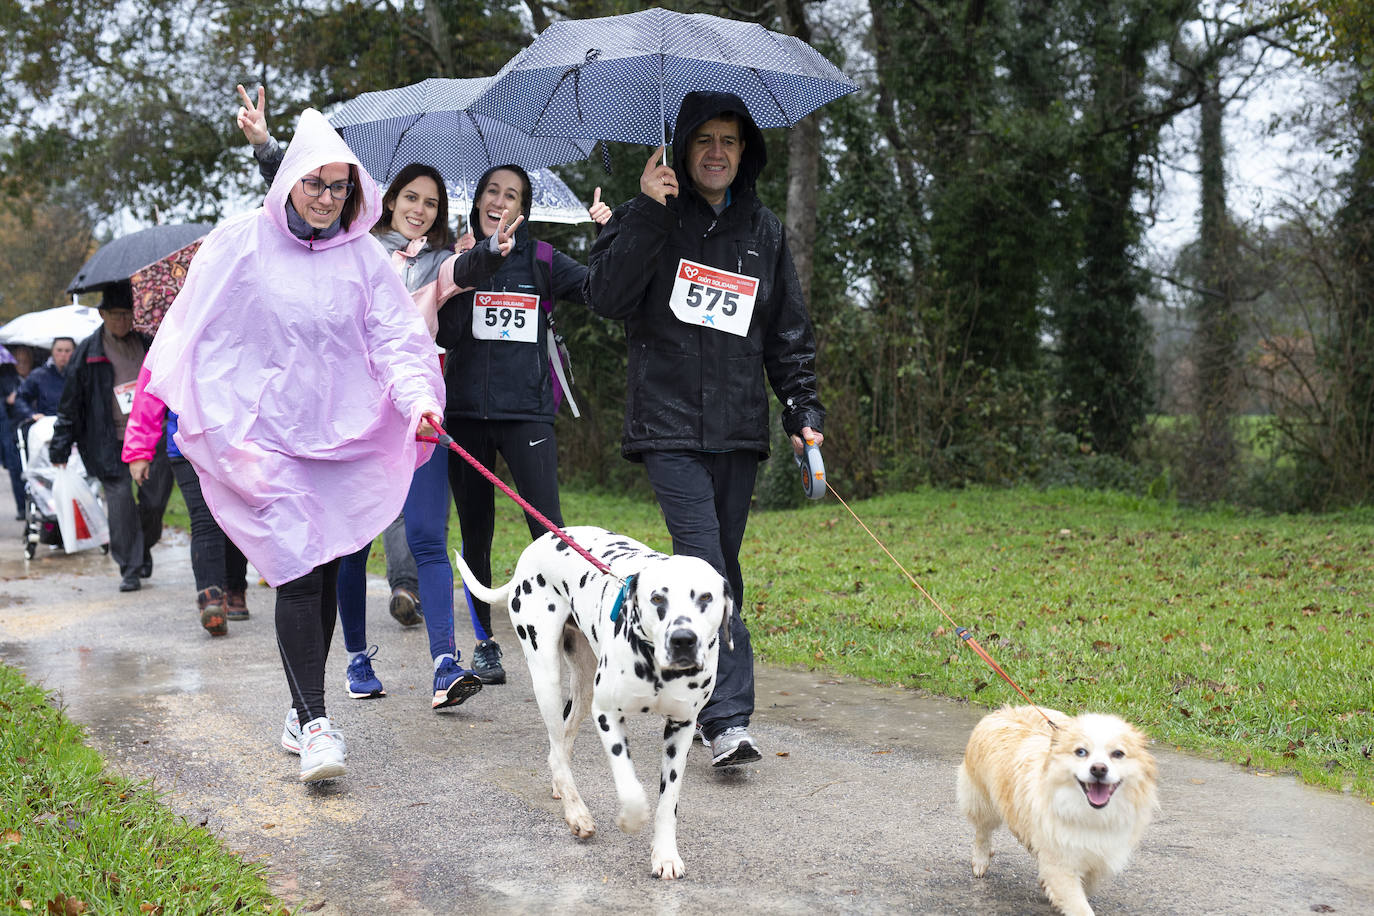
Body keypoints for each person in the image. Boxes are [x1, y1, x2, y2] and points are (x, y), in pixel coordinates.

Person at [145, 105, 513, 783]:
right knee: (293, 569)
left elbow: (398, 341)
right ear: (289, 179)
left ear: (354, 193)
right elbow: (196, 331)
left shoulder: (364, 261)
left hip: (344, 444)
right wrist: (189, 422)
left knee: (322, 574)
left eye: (340, 187)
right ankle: (316, 722)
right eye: (315, 183)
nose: (326, 198)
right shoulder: (240, 244)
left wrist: (420, 402)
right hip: (270, 444)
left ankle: (297, 707)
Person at [236, 85, 528, 711]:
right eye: (411, 199)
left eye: (433, 203)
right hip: (345, 419)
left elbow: (466, 272)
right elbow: (302, 203)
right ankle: (357, 660)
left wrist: (491, 256)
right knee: (349, 545)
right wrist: (266, 149)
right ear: (387, 201)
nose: (421, 210)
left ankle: (445, 665)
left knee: (427, 535)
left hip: (413, 413)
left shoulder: (439, 264)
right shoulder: (354, 251)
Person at [584, 91, 826, 768]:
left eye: (729, 141)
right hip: (666, 425)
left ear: (744, 152)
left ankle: (684, 677)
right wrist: (649, 217)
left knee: (724, 569)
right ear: (683, 150)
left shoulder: (765, 231)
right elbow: (605, 298)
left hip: (739, 427)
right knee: (706, 561)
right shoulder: (648, 214)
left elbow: (788, 334)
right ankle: (725, 719)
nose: (716, 153)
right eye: (703, 141)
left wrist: (804, 413)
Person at [435, 163, 611, 686]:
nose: (500, 201)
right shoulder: (456, 261)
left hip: (527, 414)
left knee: (550, 531)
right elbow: (425, 322)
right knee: (476, 532)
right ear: (479, 199)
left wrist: (607, 235)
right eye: (492, 190)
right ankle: (486, 642)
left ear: (524, 210)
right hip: (463, 414)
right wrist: (464, 268)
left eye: (512, 195)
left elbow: (602, 292)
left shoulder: (541, 259)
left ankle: (570, 633)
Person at [50, 286, 173, 592]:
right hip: (107, 441)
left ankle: (141, 547)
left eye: (128, 315)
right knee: (120, 506)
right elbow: (70, 403)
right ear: (102, 315)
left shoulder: (148, 345)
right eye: (116, 315)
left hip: (150, 438)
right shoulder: (87, 353)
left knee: (154, 501)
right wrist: (60, 444)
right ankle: (129, 567)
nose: (122, 321)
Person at [124, 377, 251, 637]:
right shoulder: (172, 338)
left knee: (234, 515)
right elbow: (149, 393)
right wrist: (139, 449)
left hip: (237, 439)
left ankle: (235, 587)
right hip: (187, 444)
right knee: (205, 519)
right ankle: (211, 598)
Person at [15, 336, 75, 421]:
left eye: (67, 351)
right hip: (46, 426)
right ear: (52, 352)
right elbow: (20, 399)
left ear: (74, 352)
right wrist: (31, 414)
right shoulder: (39, 375)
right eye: (59, 350)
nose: (63, 354)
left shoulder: (80, 374)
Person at [0, 346, 26, 519]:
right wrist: (6, 401)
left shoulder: (37, 375)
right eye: (19, 360)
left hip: (29, 425)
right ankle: (22, 507)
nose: (21, 364)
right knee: (16, 468)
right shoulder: (6, 377)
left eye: (24, 360)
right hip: (10, 427)